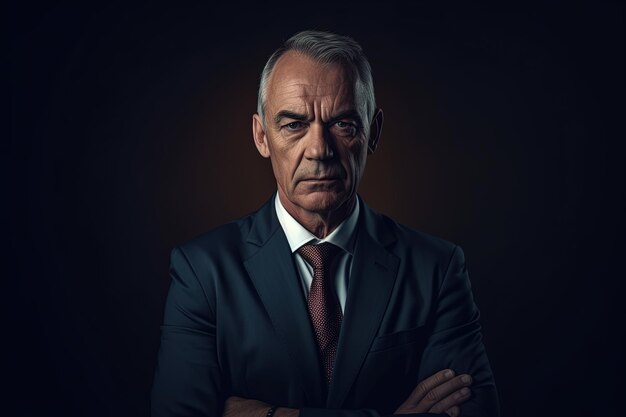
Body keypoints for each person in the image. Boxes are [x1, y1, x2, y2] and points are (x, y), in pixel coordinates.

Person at [151, 30, 499, 417]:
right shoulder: (202, 271)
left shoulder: (436, 268)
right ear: (261, 136)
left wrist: (275, 415)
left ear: (373, 133)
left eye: (343, 125)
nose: (319, 150)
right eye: (294, 125)